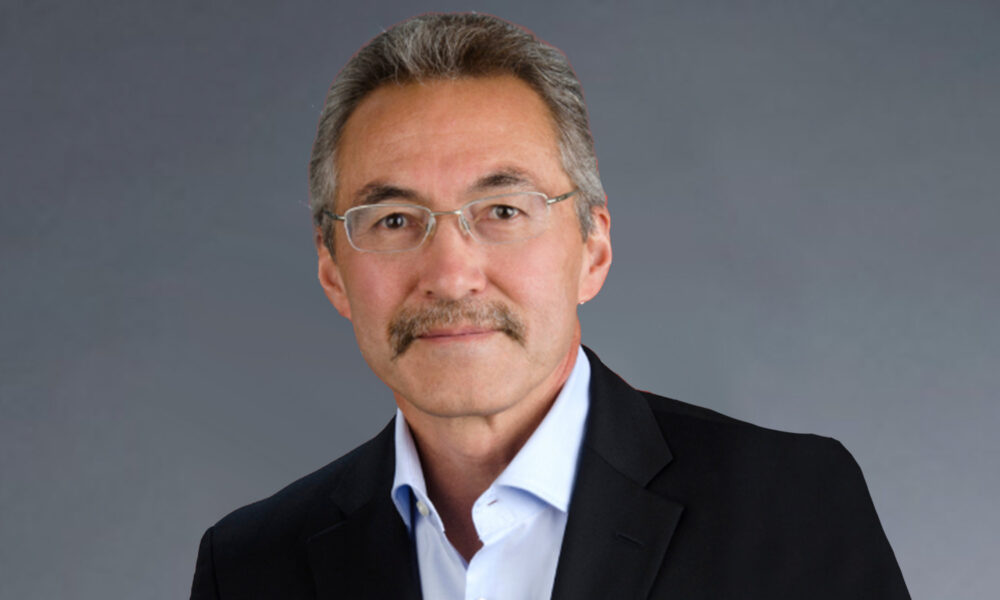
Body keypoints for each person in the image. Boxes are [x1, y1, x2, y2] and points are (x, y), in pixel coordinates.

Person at [190, 13, 909, 599]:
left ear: (592, 247)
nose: (451, 274)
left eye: (503, 210)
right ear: (332, 271)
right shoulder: (251, 567)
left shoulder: (788, 507)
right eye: (395, 220)